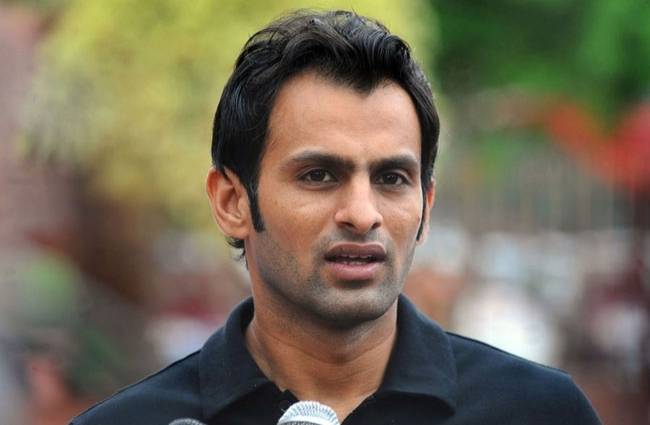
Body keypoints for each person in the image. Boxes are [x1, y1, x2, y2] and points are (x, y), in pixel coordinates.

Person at [71, 10, 602, 425]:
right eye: (319, 175)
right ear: (232, 202)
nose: (363, 214)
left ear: (426, 207)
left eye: (392, 178)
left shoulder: (539, 413)